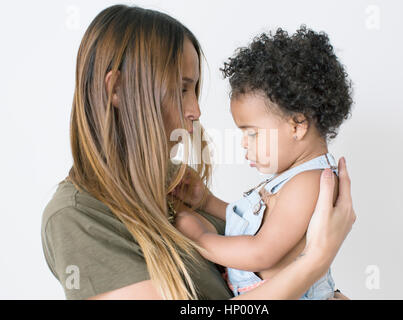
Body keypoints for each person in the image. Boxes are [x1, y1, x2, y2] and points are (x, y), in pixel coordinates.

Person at [41, 4, 356, 300]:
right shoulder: (77, 218)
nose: (195, 110)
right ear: (117, 90)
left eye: (194, 90)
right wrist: (315, 261)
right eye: (181, 90)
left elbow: (266, 263)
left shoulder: (174, 183)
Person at [173, 26, 353, 299]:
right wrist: (208, 202)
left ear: (298, 124)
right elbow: (265, 227)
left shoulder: (311, 182)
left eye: (252, 133)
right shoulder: (293, 178)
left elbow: (262, 252)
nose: (244, 143)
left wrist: (201, 240)